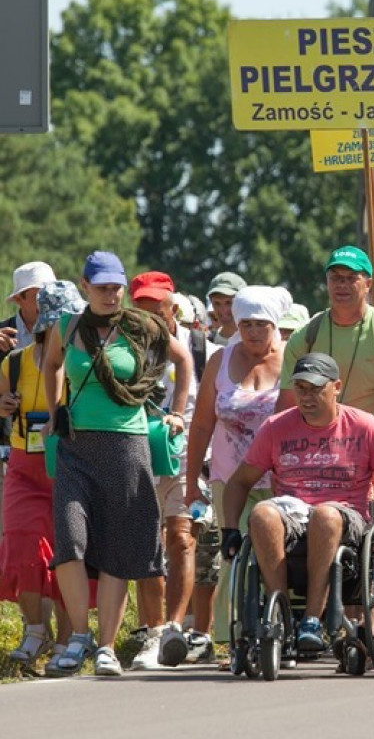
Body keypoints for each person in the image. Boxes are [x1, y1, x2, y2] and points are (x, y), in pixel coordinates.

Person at [42, 251, 191, 677]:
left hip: (128, 446)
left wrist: (178, 410)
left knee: (117, 549)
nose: (110, 294)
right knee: (70, 543)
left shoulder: (142, 327)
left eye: (116, 286)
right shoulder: (67, 327)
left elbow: (182, 360)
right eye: (102, 286)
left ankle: (105, 646)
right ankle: (79, 636)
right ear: (84, 285)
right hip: (76, 447)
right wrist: (56, 411)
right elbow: (52, 364)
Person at [220, 353, 374, 652]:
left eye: (315, 388)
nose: (307, 396)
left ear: (336, 387)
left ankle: (312, 619)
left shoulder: (364, 427)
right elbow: (239, 482)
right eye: (300, 388)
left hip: (345, 518)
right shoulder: (275, 427)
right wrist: (230, 528)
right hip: (294, 516)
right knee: (261, 513)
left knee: (325, 515)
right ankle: (281, 617)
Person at [185, 285, 288, 645]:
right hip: (229, 477)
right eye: (246, 324)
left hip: (280, 479)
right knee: (233, 556)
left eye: (261, 324)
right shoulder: (220, 360)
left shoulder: (291, 361)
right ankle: (233, 637)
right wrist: (190, 483)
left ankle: (280, 628)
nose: (254, 332)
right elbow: (201, 425)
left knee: (278, 556)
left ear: (275, 324)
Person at [128, 271, 222, 668]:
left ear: (173, 307)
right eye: (142, 307)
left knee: (182, 538)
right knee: (145, 543)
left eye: (157, 307)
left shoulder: (200, 348)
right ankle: (152, 632)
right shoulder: (120, 347)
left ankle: (174, 629)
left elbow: (213, 406)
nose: (150, 315)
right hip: (136, 452)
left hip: (185, 455)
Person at [0, 281, 84, 675]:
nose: (66, 329)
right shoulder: (13, 362)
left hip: (70, 463)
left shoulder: (83, 363)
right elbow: (2, 411)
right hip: (24, 465)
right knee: (20, 544)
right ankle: (36, 630)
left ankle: (68, 641)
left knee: (70, 551)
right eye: (60, 322)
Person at [277, 246, 374, 452]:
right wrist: (282, 455)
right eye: (335, 277)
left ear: (368, 284)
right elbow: (287, 404)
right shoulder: (305, 336)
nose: (342, 284)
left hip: (372, 451)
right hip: (315, 454)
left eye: (351, 278)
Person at [2, 261, 57, 355]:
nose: (47, 302)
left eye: (51, 295)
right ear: (19, 299)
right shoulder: (2, 334)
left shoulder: (65, 329)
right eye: (39, 296)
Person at [206, 271, 247, 346]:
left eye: (229, 303)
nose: (223, 310)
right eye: (217, 303)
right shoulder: (206, 344)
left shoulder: (256, 343)